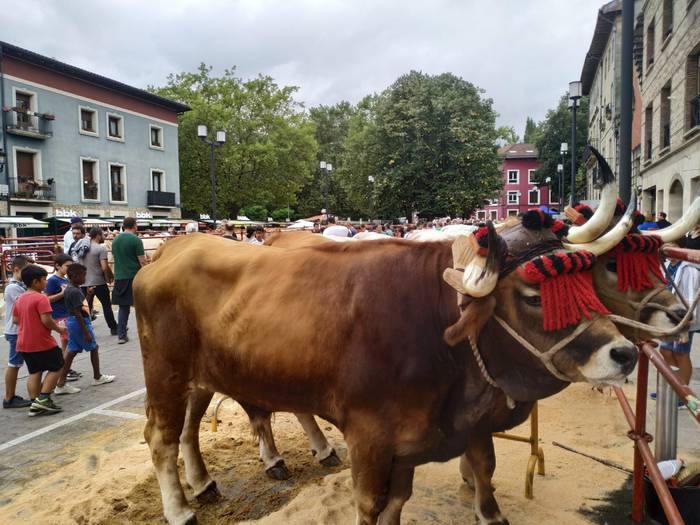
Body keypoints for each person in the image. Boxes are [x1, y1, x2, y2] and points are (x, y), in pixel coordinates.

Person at [13, 265, 67, 416]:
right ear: (36, 282)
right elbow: (46, 320)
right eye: (44, 280)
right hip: (41, 341)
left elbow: (16, 319)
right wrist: (59, 329)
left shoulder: (20, 298)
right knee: (58, 366)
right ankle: (43, 399)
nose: (46, 283)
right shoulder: (41, 298)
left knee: (34, 371)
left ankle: (34, 402)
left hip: (23, 342)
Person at [55, 264, 115, 392]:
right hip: (78, 322)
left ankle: (61, 383)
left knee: (71, 352)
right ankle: (97, 377)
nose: (85, 278)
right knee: (94, 347)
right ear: (75, 276)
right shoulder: (74, 291)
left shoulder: (73, 289)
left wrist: (88, 295)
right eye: (83, 275)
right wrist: (86, 332)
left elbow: (80, 306)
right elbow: (78, 313)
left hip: (73, 322)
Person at [45, 254, 81, 383]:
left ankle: (65, 368)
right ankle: (63, 370)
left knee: (67, 344)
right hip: (60, 315)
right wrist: (62, 294)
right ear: (57, 266)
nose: (69, 268)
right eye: (67, 266)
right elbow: (47, 299)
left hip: (67, 313)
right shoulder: (53, 281)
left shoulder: (65, 279)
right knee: (70, 344)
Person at [111, 217, 147, 344]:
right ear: (135, 226)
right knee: (142, 305)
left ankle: (121, 334)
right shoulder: (136, 240)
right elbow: (142, 261)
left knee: (123, 307)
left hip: (120, 276)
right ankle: (146, 331)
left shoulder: (115, 240)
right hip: (135, 276)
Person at [4, 255, 32, 408]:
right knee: (14, 364)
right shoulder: (13, 287)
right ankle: (9, 397)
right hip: (15, 330)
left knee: (16, 363)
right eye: (25, 270)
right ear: (16, 270)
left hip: (18, 329)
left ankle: (11, 396)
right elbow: (24, 307)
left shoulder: (19, 285)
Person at [81, 227, 117, 335]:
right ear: (97, 235)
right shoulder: (100, 249)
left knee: (87, 308)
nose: (104, 237)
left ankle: (85, 330)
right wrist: (110, 276)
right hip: (99, 282)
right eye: (103, 234)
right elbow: (105, 267)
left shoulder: (82, 248)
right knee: (106, 305)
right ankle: (113, 327)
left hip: (84, 283)